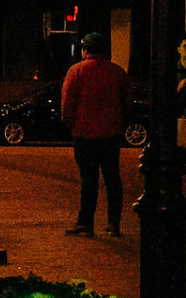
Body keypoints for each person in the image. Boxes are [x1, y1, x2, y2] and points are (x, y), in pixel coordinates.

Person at [60, 30, 132, 237]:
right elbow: (127, 102)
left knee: (88, 179)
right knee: (112, 178)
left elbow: (67, 103)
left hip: (85, 133)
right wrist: (119, 122)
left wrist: (71, 125)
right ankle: (113, 222)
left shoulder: (76, 71)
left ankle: (85, 222)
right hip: (110, 134)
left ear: (85, 49)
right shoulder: (117, 72)